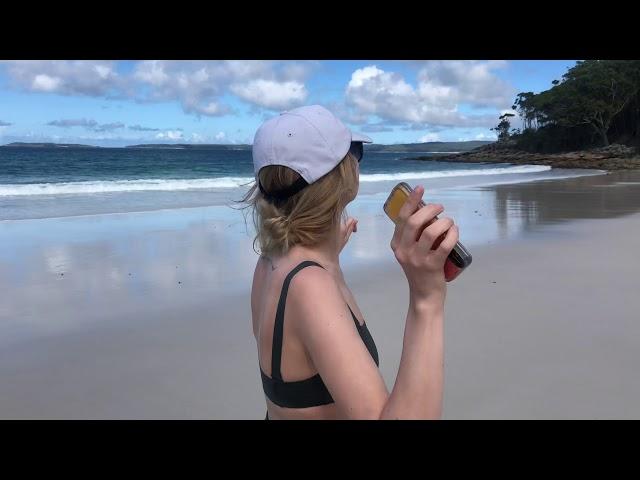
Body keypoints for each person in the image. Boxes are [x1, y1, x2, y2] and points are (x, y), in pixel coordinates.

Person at [238, 105, 459, 420]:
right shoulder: (310, 287)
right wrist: (427, 299)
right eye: (355, 152)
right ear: (342, 175)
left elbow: (296, 352)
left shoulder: (271, 262)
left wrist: (328, 261)